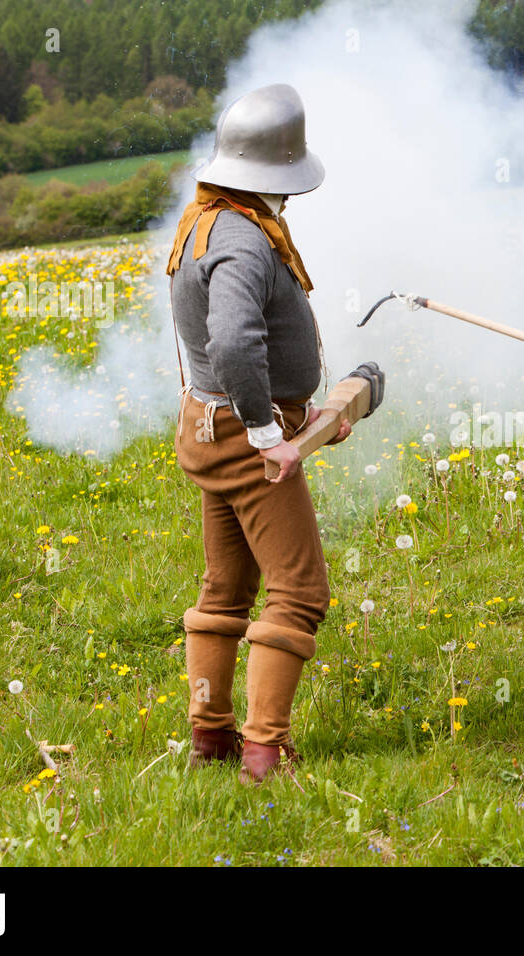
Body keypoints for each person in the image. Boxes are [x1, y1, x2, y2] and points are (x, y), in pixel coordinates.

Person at [165, 83, 350, 784]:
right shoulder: (242, 241)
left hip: (210, 426)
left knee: (224, 591)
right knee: (299, 592)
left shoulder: (204, 221)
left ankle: (210, 739)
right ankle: (264, 756)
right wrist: (270, 431)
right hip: (245, 436)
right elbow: (236, 345)